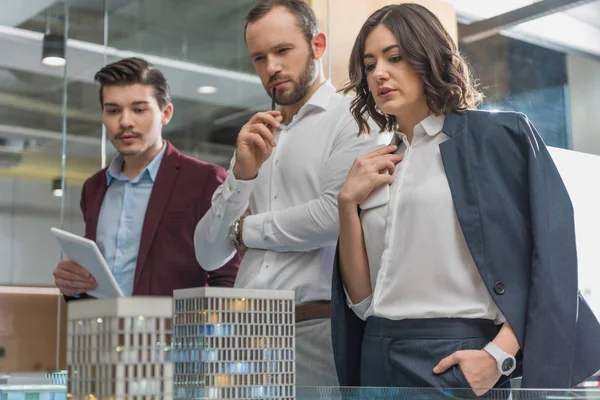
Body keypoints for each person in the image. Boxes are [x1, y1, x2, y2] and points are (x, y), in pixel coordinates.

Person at [331, 3, 600, 394]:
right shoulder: (376, 165)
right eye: (369, 65)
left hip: (456, 357)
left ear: (428, 56)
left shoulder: (497, 137)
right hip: (377, 354)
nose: (380, 74)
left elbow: (552, 259)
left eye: (395, 57)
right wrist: (346, 203)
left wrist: (498, 356)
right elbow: (360, 302)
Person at [193, 0, 378, 386]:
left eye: (282, 51)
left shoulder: (356, 119)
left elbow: (333, 218)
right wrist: (242, 176)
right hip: (239, 332)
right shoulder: (257, 135)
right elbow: (208, 253)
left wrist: (246, 231)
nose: (271, 67)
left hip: (313, 330)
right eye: (259, 57)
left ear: (318, 45)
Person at [53, 57, 239, 299]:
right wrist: (74, 285)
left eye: (139, 109)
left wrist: (203, 334)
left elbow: (227, 277)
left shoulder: (205, 180)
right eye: (113, 110)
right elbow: (96, 278)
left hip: (178, 334)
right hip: (105, 331)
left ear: (166, 113)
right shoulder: (94, 188)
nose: (125, 122)